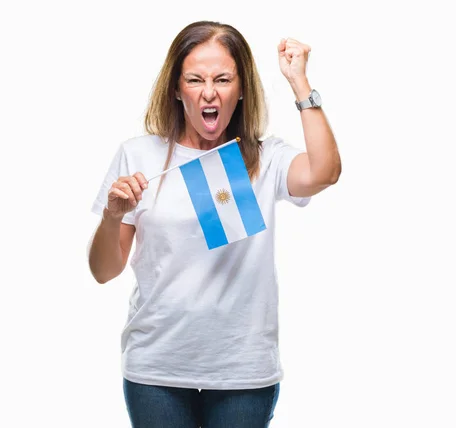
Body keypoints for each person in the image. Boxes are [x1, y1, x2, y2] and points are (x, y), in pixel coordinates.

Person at [88, 20, 341, 428]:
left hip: (243, 371)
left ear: (241, 90)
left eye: (223, 79)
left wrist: (300, 83)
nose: (209, 92)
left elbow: (325, 172)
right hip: (157, 371)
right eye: (195, 79)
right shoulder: (138, 157)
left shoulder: (265, 157)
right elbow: (103, 271)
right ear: (176, 87)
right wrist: (112, 215)